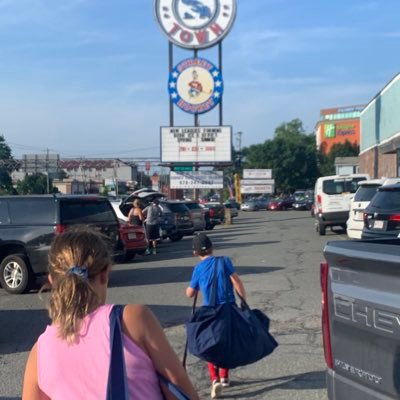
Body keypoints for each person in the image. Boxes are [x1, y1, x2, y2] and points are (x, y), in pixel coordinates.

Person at [22, 229, 199, 400]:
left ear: (52, 281)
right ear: (105, 273)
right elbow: (179, 387)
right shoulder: (132, 320)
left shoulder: (39, 352)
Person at [185, 233, 247, 399]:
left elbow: (190, 294)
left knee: (209, 345)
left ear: (195, 253)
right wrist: (244, 302)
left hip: (210, 311)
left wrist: (194, 287)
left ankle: (214, 379)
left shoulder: (198, 269)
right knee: (227, 342)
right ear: (212, 248)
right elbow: (236, 282)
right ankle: (225, 377)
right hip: (229, 308)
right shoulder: (225, 261)